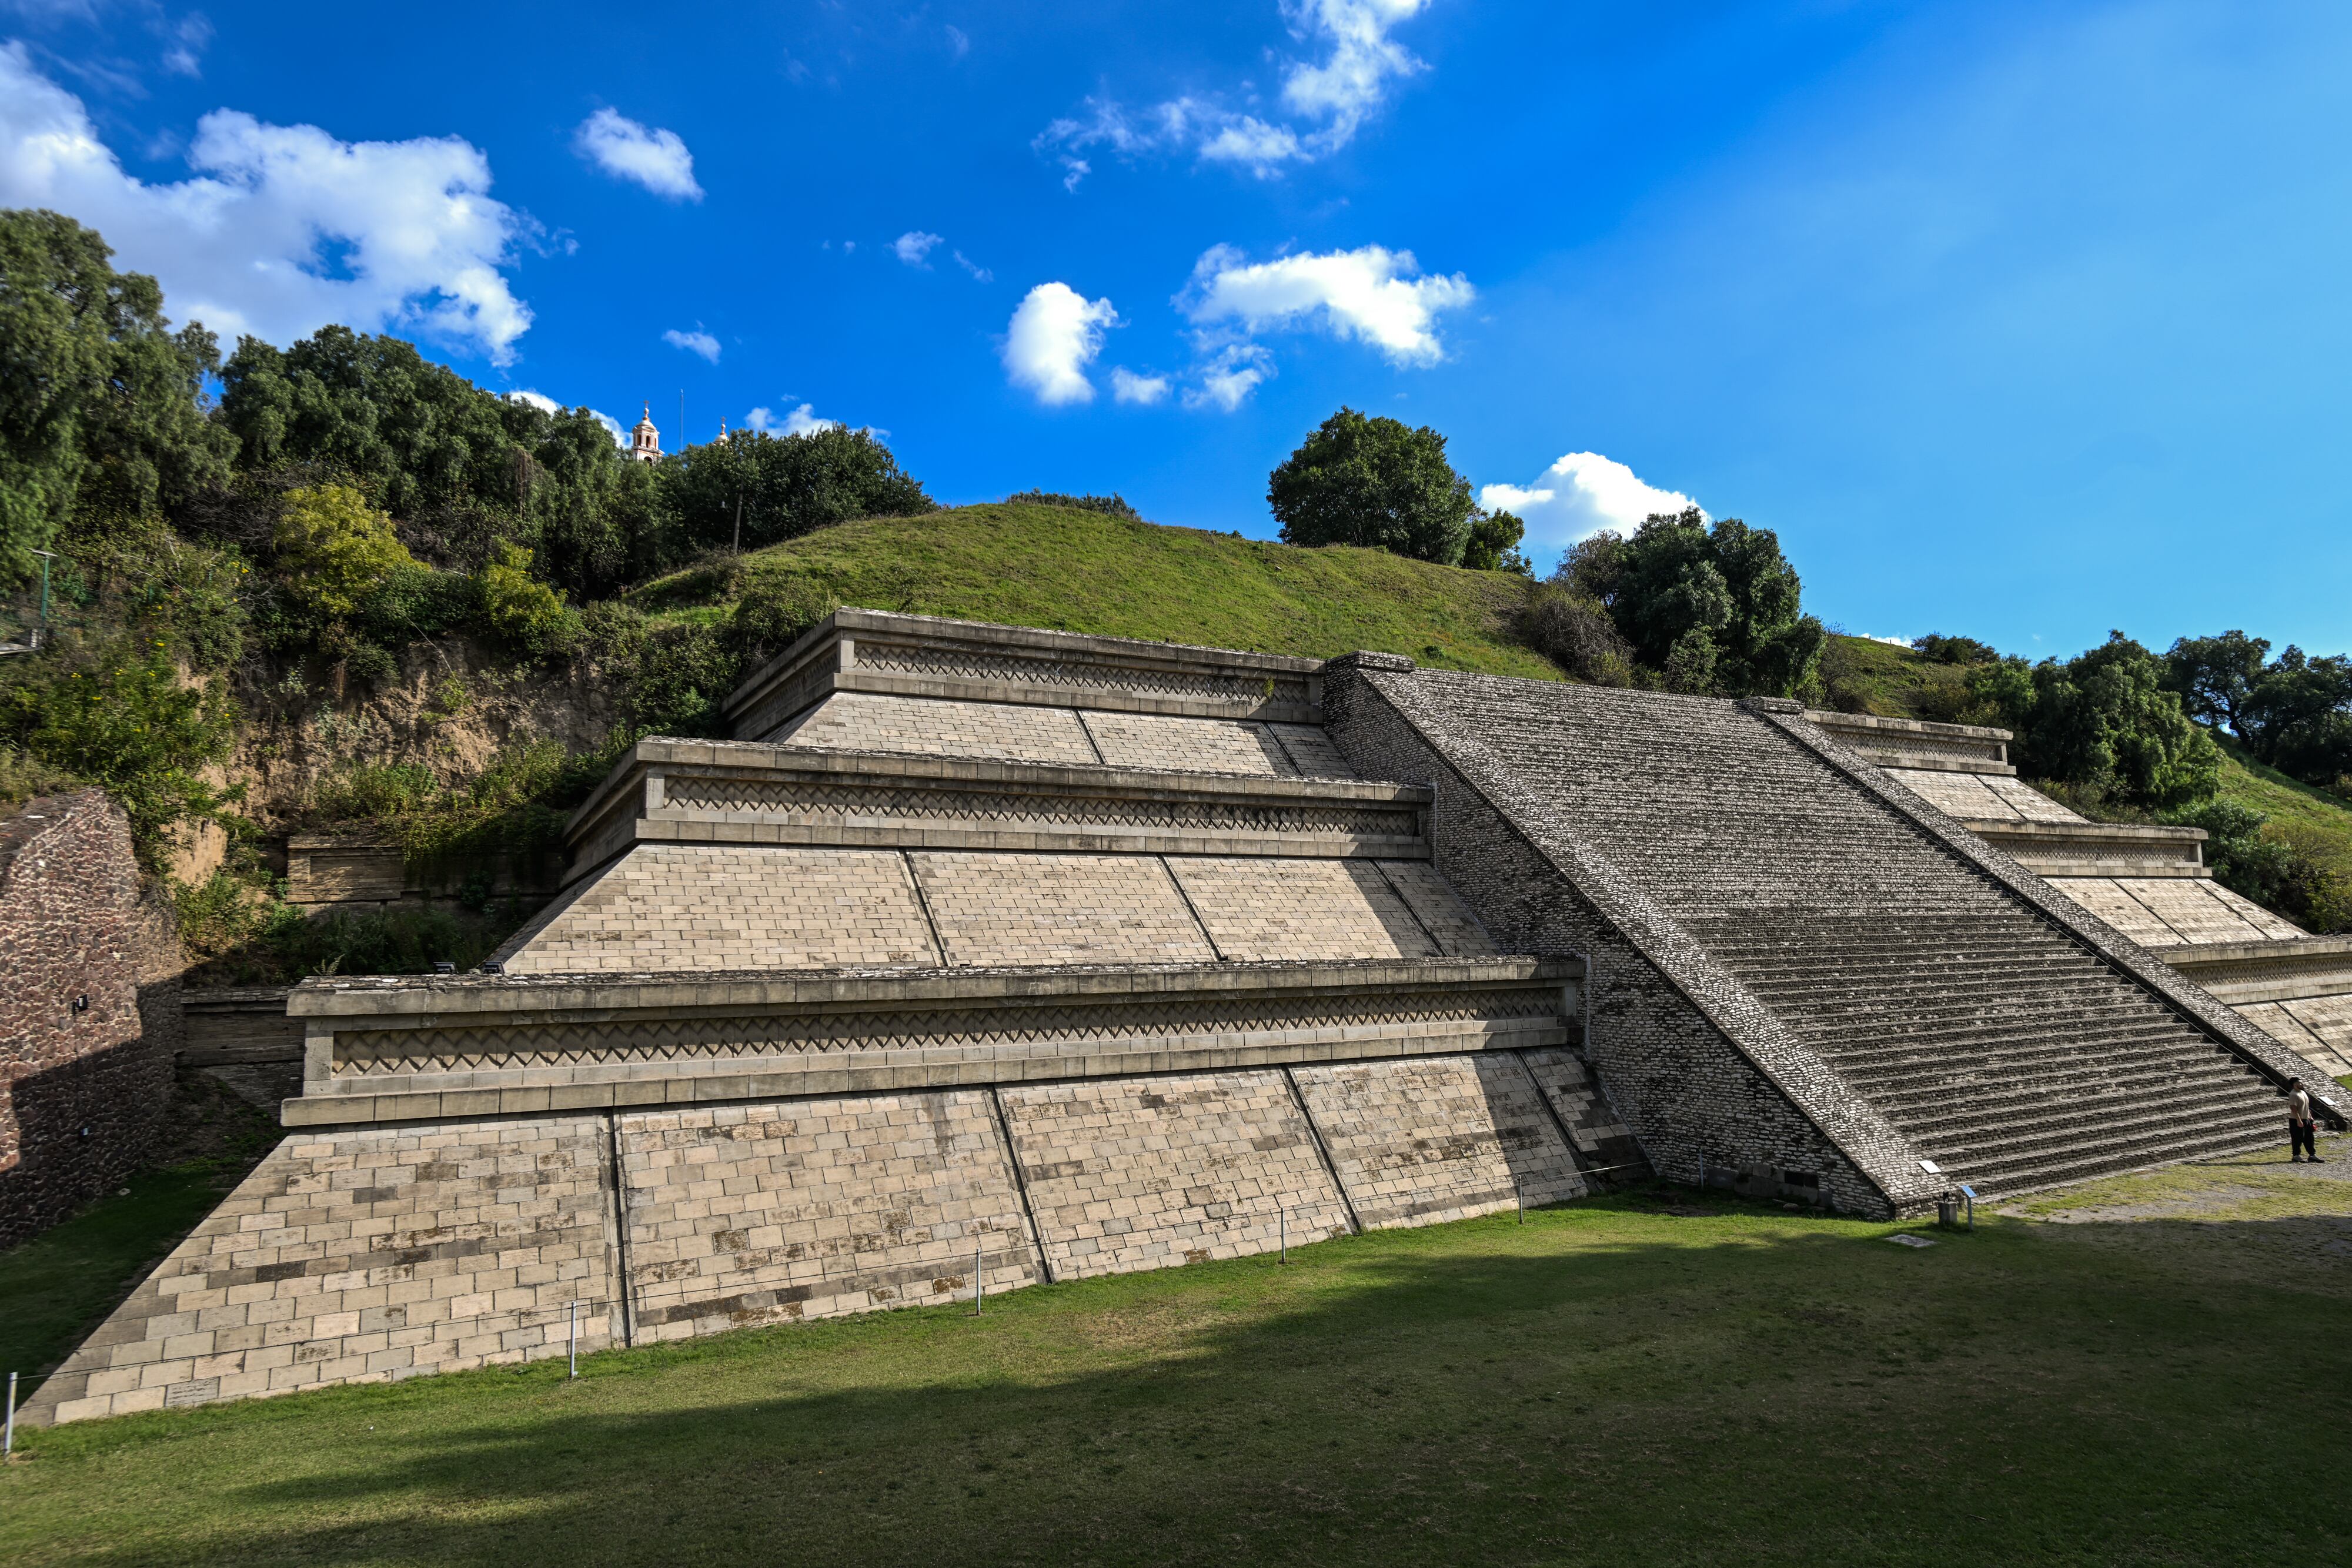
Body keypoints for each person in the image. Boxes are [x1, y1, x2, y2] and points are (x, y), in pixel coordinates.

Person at [2286, 1076, 2321, 1164]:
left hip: (2306, 1119)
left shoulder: (2303, 1093)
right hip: (2296, 1120)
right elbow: (2293, 1108)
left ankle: (2312, 1155)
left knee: (2310, 1138)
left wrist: (2310, 1116)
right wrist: (2299, 1120)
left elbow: (2306, 1106)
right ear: (2295, 1084)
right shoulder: (2293, 1094)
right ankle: (2296, 1156)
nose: (2302, 1084)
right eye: (2300, 1083)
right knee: (2297, 1138)